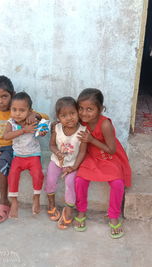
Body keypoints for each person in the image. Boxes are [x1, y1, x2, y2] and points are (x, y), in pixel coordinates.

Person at [0, 76, 47, 224]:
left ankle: (4, 202)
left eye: (4, 96)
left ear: (12, 94)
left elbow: (45, 117)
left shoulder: (18, 108)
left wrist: (35, 115)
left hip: (11, 148)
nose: (0, 101)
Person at [74, 88, 131, 238]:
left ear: (100, 109)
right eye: (81, 108)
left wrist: (92, 140)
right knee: (80, 180)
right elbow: (63, 116)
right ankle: (81, 210)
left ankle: (113, 215)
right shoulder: (80, 120)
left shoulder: (105, 124)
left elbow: (111, 150)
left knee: (118, 183)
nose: (84, 113)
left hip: (108, 157)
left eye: (90, 109)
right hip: (90, 156)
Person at [3, 92, 48, 218]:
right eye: (14, 109)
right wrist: (23, 130)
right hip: (18, 156)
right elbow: (6, 136)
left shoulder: (33, 120)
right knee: (12, 175)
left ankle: (36, 197)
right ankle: (14, 202)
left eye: (22, 110)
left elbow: (44, 127)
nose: (17, 113)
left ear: (29, 111)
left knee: (38, 174)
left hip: (33, 155)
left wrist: (42, 130)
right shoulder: (11, 122)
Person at [45, 97, 87, 229]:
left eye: (72, 113)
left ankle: (68, 209)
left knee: (70, 183)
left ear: (78, 113)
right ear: (58, 117)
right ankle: (51, 203)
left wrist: (74, 167)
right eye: (64, 115)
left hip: (73, 164)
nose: (69, 118)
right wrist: (57, 152)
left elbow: (82, 152)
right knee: (50, 179)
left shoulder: (83, 131)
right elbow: (51, 145)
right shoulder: (56, 128)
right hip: (57, 161)